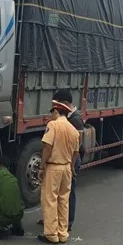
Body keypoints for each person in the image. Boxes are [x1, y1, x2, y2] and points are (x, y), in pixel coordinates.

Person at [37, 90, 84, 231]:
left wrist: (42, 166)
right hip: (68, 161)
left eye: (54, 107)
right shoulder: (70, 120)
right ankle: (58, 224)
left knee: (62, 195)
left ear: (62, 104)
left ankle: (64, 223)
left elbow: (77, 145)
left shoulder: (74, 119)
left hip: (66, 161)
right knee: (61, 195)